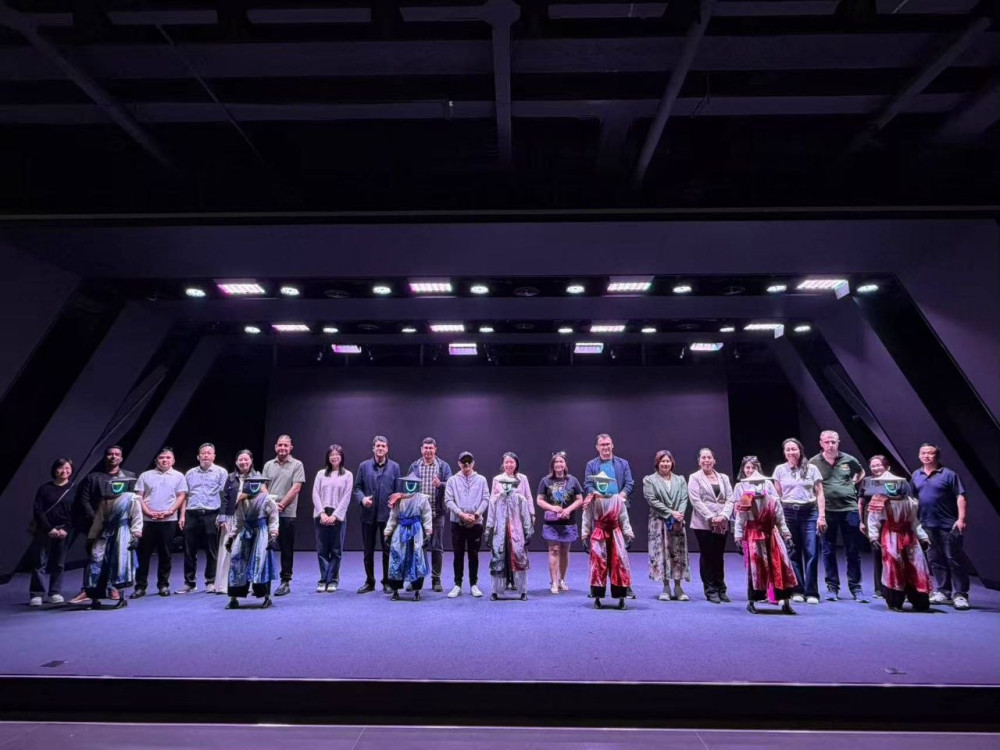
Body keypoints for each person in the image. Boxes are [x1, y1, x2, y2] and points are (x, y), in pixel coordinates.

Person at [68, 445, 135, 605]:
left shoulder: (129, 477)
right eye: (110, 454)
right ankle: (88, 590)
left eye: (117, 454)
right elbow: (84, 500)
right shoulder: (93, 477)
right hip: (97, 525)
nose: (113, 456)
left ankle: (113, 588)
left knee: (117, 557)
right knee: (94, 557)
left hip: (120, 525)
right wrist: (96, 519)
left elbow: (133, 500)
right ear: (105, 457)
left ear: (121, 458)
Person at [732, 457, 797, 615]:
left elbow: (780, 520)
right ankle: (753, 600)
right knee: (756, 568)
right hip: (754, 535)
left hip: (771, 535)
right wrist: (738, 538)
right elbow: (740, 520)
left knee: (781, 565)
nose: (756, 487)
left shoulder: (772, 500)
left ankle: (785, 600)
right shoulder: (746, 500)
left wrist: (787, 537)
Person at [911, 443, 971, 611]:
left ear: (936, 456)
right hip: (926, 524)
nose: (926, 456)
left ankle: (960, 594)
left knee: (954, 559)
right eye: (923, 453)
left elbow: (961, 496)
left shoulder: (949, 474)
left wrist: (961, 519)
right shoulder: (916, 474)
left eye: (930, 453)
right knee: (935, 559)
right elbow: (913, 498)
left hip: (948, 524)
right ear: (919, 455)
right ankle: (943, 591)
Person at [809, 430, 866, 602]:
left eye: (833, 442)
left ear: (838, 442)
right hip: (827, 511)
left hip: (849, 509)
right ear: (821, 443)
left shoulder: (849, 459)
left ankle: (855, 587)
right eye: (827, 442)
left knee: (853, 549)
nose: (830, 445)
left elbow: (861, 472)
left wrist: (853, 482)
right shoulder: (813, 462)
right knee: (828, 550)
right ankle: (832, 587)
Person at [865, 469, 932, 612]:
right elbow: (873, 521)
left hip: (909, 536)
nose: (891, 486)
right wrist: (873, 537)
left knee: (916, 565)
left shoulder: (909, 501)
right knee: (893, 567)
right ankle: (895, 601)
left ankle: (919, 600)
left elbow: (914, 521)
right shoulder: (878, 500)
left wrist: (922, 537)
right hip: (891, 536)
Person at [772, 438, 827, 605]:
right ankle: (797, 590)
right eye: (788, 449)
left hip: (809, 513)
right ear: (784, 453)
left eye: (794, 449)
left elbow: (820, 493)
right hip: (788, 513)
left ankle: (812, 592)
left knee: (812, 552)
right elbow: (777, 496)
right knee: (792, 552)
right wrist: (777, 518)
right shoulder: (780, 470)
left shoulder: (811, 468)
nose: (791, 452)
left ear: (800, 450)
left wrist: (822, 516)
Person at [583, 434, 635, 597]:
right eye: (602, 444)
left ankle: (624, 586)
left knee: (620, 554)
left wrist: (621, 496)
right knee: (599, 554)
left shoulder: (623, 463)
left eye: (607, 444)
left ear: (612, 445)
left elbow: (630, 483)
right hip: (599, 511)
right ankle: (597, 587)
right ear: (597, 447)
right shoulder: (591, 465)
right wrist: (595, 493)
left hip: (618, 510)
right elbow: (588, 484)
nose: (605, 447)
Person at [133, 447, 187, 598]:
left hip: (168, 520)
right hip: (148, 520)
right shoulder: (145, 475)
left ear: (173, 460)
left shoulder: (178, 476)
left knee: (166, 554)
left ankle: (163, 585)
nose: (165, 460)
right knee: (143, 554)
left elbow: (181, 496)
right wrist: (147, 512)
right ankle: (140, 586)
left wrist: (170, 511)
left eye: (168, 458)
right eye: (162, 458)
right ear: (156, 460)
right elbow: (139, 496)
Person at [84, 476, 143, 609]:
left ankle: (121, 597)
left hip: (122, 533)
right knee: (96, 562)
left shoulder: (130, 498)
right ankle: (95, 598)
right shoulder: (104, 501)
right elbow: (98, 520)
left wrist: (136, 535)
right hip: (104, 534)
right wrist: (91, 537)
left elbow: (137, 517)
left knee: (120, 563)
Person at [178, 443, 228, 594]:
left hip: (212, 513)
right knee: (189, 550)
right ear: (198, 456)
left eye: (209, 453)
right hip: (192, 513)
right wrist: (182, 515)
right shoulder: (190, 473)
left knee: (211, 549)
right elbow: (185, 496)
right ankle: (189, 582)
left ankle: (210, 581)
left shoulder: (221, 472)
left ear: (214, 456)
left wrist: (222, 515)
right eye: (203, 453)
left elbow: (224, 496)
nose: (206, 455)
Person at [354, 435, 401, 594]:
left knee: (388, 550)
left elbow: (398, 491)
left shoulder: (395, 467)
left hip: (388, 516)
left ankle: (387, 581)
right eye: (378, 446)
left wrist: (395, 501)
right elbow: (357, 488)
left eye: (383, 446)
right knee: (368, 551)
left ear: (387, 449)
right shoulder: (363, 466)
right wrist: (363, 499)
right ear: (373, 448)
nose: (380, 448)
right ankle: (370, 582)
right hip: (368, 515)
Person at [687, 447, 734, 603]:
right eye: (703, 458)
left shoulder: (723, 477)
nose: (706, 460)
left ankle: (721, 588)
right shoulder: (695, 477)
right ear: (699, 461)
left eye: (709, 458)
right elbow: (695, 500)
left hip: (722, 522)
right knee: (708, 555)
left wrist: (724, 515)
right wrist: (711, 517)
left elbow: (730, 499)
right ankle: (710, 589)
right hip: (703, 523)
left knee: (719, 556)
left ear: (714, 461)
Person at [406, 437, 453, 593]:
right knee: (418, 547)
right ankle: (416, 579)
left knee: (437, 547)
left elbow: (451, 484)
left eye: (431, 448)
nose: (428, 451)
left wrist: (441, 484)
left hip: (437, 513)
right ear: (421, 450)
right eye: (425, 448)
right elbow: (408, 487)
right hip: (418, 514)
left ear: (435, 449)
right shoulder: (414, 466)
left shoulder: (443, 466)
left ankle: (436, 579)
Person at [582, 471, 634, 609]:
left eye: (604, 482)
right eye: (600, 482)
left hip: (615, 534)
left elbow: (624, 517)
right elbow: (587, 518)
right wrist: (584, 535)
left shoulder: (617, 499)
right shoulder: (592, 500)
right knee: (598, 564)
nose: (602, 484)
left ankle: (621, 597)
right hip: (599, 534)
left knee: (619, 563)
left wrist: (628, 534)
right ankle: (597, 597)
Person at [643, 450, 690, 602]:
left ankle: (678, 587)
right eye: (662, 461)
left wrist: (679, 514)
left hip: (677, 522)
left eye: (668, 461)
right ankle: (666, 587)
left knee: (678, 554)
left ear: (672, 463)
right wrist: (671, 513)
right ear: (657, 463)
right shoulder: (649, 480)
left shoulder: (680, 479)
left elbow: (684, 498)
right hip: (659, 522)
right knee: (662, 554)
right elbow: (652, 500)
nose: (665, 464)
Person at [225, 474, 278, 609]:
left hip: (261, 533)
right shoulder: (242, 500)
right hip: (245, 533)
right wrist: (232, 536)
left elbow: (273, 518)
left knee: (260, 563)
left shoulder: (267, 499)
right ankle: (234, 598)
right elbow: (238, 520)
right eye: (250, 482)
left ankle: (266, 596)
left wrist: (273, 535)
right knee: (237, 562)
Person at [262, 435, 305, 597]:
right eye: (280, 445)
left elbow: (296, 488)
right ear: (275, 447)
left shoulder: (297, 464)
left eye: (286, 445)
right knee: (264, 546)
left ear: (291, 447)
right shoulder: (268, 465)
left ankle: (285, 581)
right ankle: (262, 580)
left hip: (287, 513)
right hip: (268, 513)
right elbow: (263, 486)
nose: (283, 448)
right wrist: (272, 505)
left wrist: (281, 505)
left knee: (286, 548)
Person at [28, 458, 75, 606]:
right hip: (45, 530)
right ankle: (37, 594)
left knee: (59, 563)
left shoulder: (74, 488)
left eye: (67, 468)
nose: (64, 471)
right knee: (40, 563)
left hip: (64, 531)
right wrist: (49, 528)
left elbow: (76, 512)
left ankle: (55, 592)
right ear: (55, 470)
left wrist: (66, 529)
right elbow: (38, 511)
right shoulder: (44, 488)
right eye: (61, 468)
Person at [535, 451, 584, 595]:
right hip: (552, 523)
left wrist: (568, 509)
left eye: (561, 461)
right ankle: (554, 582)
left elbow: (580, 499)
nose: (558, 464)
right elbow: (539, 500)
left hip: (568, 522)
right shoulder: (545, 481)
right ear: (552, 465)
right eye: (556, 462)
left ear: (565, 464)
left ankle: (562, 580)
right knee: (554, 550)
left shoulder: (573, 480)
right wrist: (552, 508)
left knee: (564, 551)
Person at [443, 451, 489, 598]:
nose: (466, 464)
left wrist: (476, 515)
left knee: (473, 555)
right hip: (458, 523)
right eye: (463, 461)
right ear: (459, 463)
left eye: (469, 461)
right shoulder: (452, 480)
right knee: (458, 555)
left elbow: (486, 498)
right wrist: (461, 515)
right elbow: (448, 500)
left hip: (476, 523)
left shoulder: (481, 480)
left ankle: (474, 584)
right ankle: (457, 585)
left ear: (473, 463)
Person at [384, 472, 433, 601]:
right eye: (408, 482)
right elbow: (393, 517)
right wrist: (387, 532)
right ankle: (395, 590)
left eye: (413, 483)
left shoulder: (422, 499)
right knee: (397, 558)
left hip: (416, 531)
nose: (411, 484)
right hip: (401, 531)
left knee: (417, 558)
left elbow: (427, 516)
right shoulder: (398, 499)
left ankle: (417, 590)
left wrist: (428, 532)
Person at [485, 472, 534, 600]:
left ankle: (523, 590)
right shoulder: (495, 500)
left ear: (514, 485)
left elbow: (526, 516)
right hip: (499, 534)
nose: (507, 486)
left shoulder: (520, 499)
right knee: (497, 560)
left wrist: (528, 531)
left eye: (510, 484)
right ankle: (495, 591)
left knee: (519, 559)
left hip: (516, 534)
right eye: (504, 483)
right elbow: (491, 516)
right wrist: (488, 532)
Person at [860, 455, 903, 600]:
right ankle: (879, 589)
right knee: (877, 552)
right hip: (872, 521)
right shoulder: (867, 481)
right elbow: (861, 502)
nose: (876, 468)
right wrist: (861, 522)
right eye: (873, 466)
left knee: (893, 553)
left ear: (887, 466)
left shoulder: (895, 481)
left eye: (879, 465)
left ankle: (894, 587)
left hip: (891, 521)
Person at [312, 444, 353, 593]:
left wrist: (335, 515)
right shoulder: (321, 474)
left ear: (341, 457)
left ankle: (333, 580)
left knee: (336, 550)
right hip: (321, 514)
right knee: (322, 549)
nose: (334, 457)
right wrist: (322, 513)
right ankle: (323, 580)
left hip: (338, 516)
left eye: (337, 454)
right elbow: (315, 494)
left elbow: (346, 497)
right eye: (331, 455)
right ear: (328, 457)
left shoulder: (347, 475)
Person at [217, 450, 258, 595]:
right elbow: (224, 498)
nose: (243, 462)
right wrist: (222, 517)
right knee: (227, 550)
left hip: (249, 518)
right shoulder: (230, 478)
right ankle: (223, 585)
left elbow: (260, 497)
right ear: (236, 462)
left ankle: (248, 585)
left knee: (247, 551)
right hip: (230, 518)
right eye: (240, 459)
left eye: (246, 459)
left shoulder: (257, 477)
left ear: (251, 461)